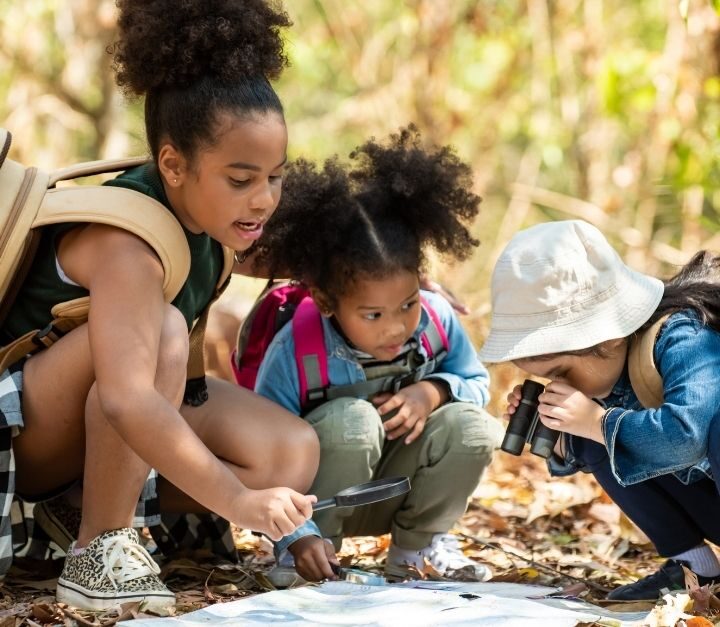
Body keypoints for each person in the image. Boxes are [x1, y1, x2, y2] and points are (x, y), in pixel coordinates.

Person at [0, 0, 320, 612]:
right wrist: (236, 500)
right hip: (23, 435)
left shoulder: (215, 219)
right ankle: (98, 551)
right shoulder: (129, 244)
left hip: (102, 420)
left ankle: (75, 511)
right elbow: (125, 397)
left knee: (290, 452)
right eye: (241, 178)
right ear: (172, 164)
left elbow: (311, 256)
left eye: (276, 177)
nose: (263, 200)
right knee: (166, 332)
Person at [252, 127, 505, 584]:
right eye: (372, 314)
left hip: (400, 490)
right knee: (353, 420)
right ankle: (311, 554)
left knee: (474, 427)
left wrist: (434, 390)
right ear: (329, 302)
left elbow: (477, 382)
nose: (395, 326)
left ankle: (417, 549)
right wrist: (297, 534)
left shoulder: (437, 319)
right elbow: (266, 450)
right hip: (318, 506)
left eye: (407, 304)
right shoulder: (296, 349)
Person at [479, 219, 720, 601]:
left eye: (560, 373)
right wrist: (561, 434)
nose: (560, 387)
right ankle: (695, 568)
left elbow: (686, 437)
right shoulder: (607, 371)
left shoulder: (683, 336)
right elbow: (597, 448)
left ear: (607, 335)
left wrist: (598, 421)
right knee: (598, 438)